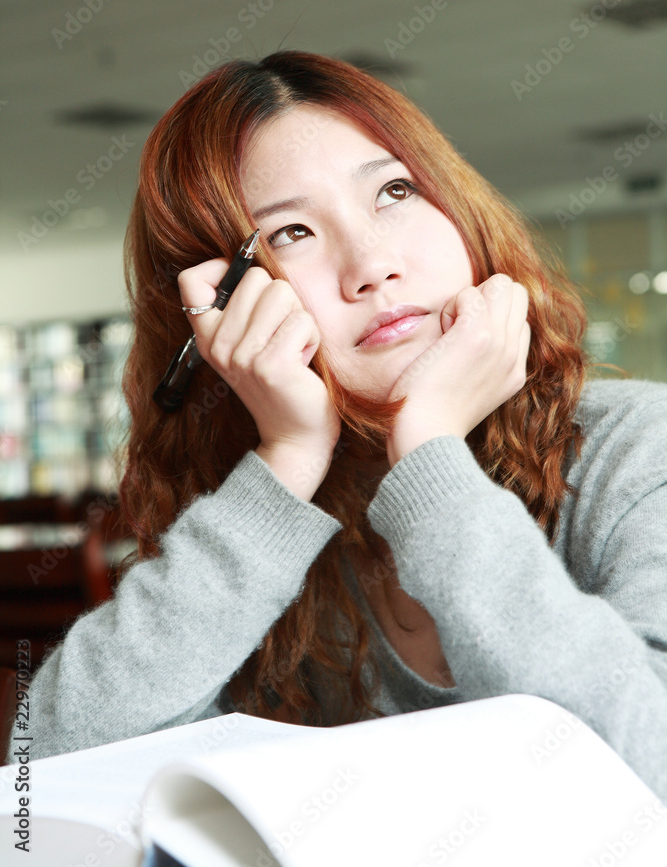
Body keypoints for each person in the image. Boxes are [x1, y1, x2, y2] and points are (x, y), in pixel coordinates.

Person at [7, 51, 667, 805]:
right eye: (290, 233)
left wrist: (429, 459)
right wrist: (285, 460)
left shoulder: (640, 449)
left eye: (395, 191)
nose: (372, 264)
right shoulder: (266, 518)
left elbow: (646, 772)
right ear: (222, 307)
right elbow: (49, 769)